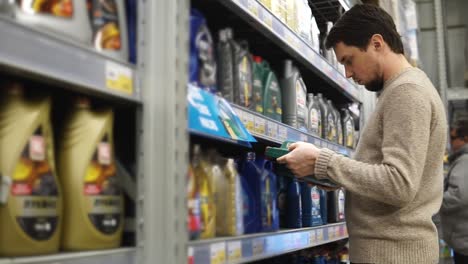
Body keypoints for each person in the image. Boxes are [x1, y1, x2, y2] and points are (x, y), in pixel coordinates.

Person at [277, 4, 447, 264]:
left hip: (394, 255)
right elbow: (386, 177)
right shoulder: (400, 90)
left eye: (349, 60)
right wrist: (327, 175)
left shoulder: (407, 92)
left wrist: (324, 162)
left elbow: (399, 184)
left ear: (377, 43)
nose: (347, 73)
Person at [440, 121, 468, 264]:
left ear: (465, 139)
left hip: (464, 241)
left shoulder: (464, 161)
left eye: (453, 138)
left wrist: (437, 201)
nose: (450, 143)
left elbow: (459, 196)